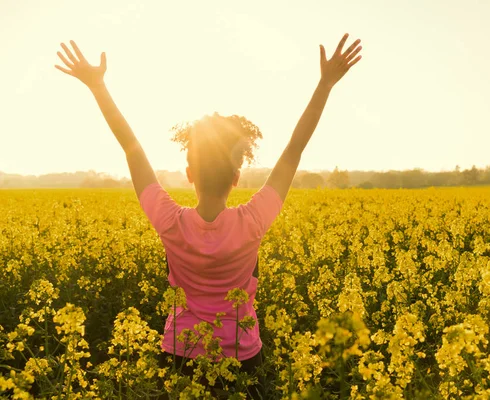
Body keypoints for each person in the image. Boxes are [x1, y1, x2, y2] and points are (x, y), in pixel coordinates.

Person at [54, 33, 362, 398]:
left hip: (180, 352)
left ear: (189, 174)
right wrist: (325, 84)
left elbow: (131, 148)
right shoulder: (252, 221)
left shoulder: (169, 221)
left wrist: (97, 86)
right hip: (242, 353)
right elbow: (294, 149)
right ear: (236, 177)